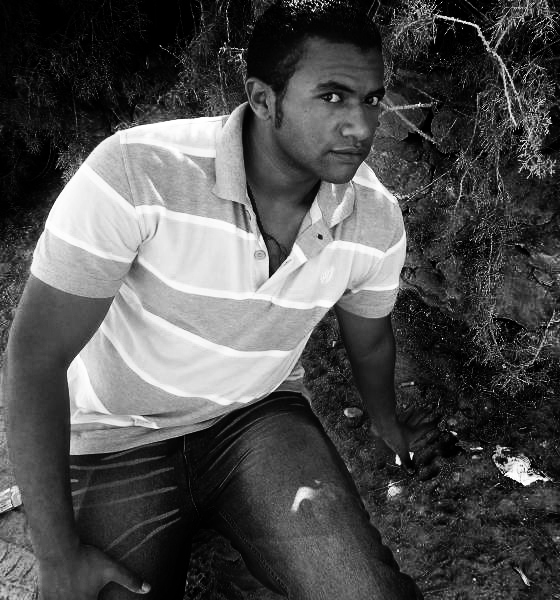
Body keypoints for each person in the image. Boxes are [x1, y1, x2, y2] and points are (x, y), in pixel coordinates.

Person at [3, 1, 431, 598]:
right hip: (117, 436)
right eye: (332, 96)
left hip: (257, 418)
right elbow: (35, 358)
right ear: (263, 99)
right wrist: (56, 555)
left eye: (372, 99)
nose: (361, 126)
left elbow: (372, 340)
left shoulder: (374, 219)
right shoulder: (136, 173)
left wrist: (386, 423)